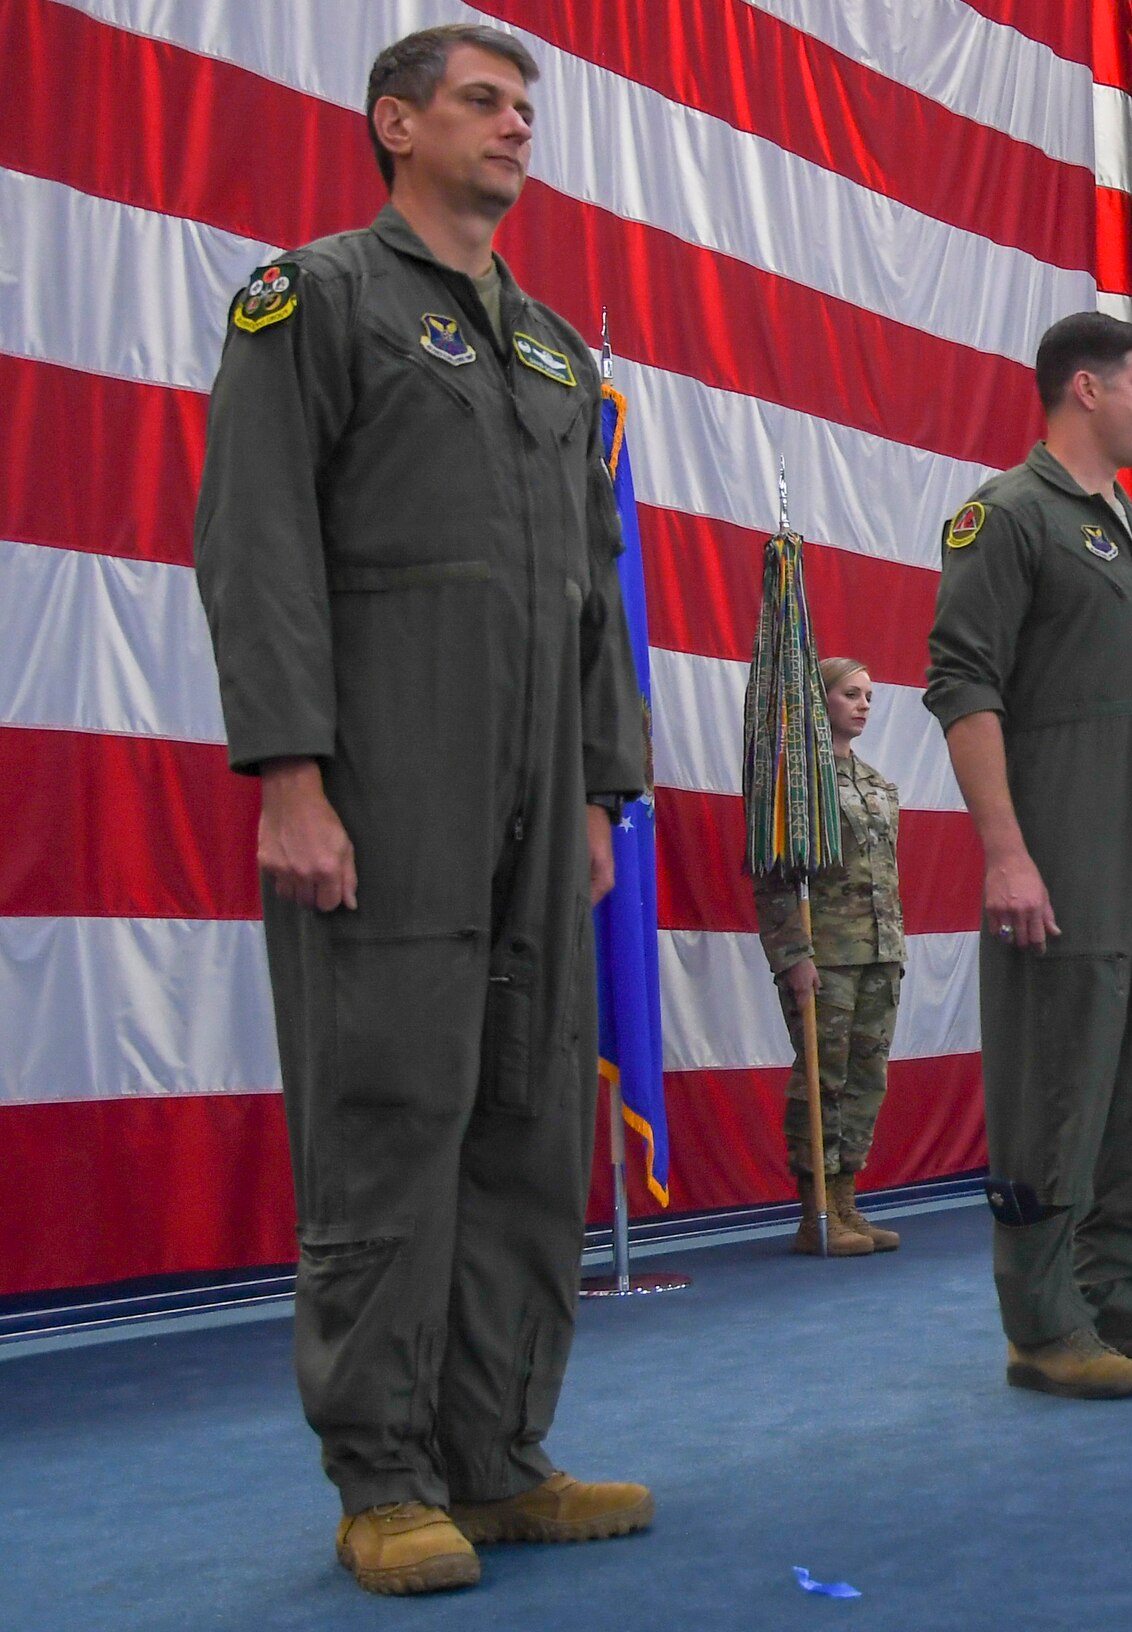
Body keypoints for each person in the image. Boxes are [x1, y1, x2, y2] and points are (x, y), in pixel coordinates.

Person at [193, 25, 651, 1596]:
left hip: (537, 804)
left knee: (524, 1123)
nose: (517, 125)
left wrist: (603, 788)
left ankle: (498, 1453)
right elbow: (253, 544)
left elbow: (592, 595)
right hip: (387, 788)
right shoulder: (315, 298)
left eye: (528, 106)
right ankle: (380, 1474)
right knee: (389, 1120)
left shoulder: (553, 355)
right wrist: (293, 779)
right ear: (395, 124)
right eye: (482, 102)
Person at [926, 311, 1132, 1400]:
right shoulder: (1004, 518)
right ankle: (1043, 1324)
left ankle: (1122, 1306)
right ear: (1083, 392)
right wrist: (1004, 854)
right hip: (1063, 837)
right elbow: (962, 686)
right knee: (1055, 1078)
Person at [755, 658, 907, 1256]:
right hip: (828, 955)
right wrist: (793, 954)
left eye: (870, 695)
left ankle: (846, 1200)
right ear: (821, 701)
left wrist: (893, 946)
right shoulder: (798, 789)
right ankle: (814, 1209)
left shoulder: (875, 782)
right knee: (823, 1078)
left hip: (878, 950)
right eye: (851, 694)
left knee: (867, 1080)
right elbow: (773, 879)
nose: (864, 705)